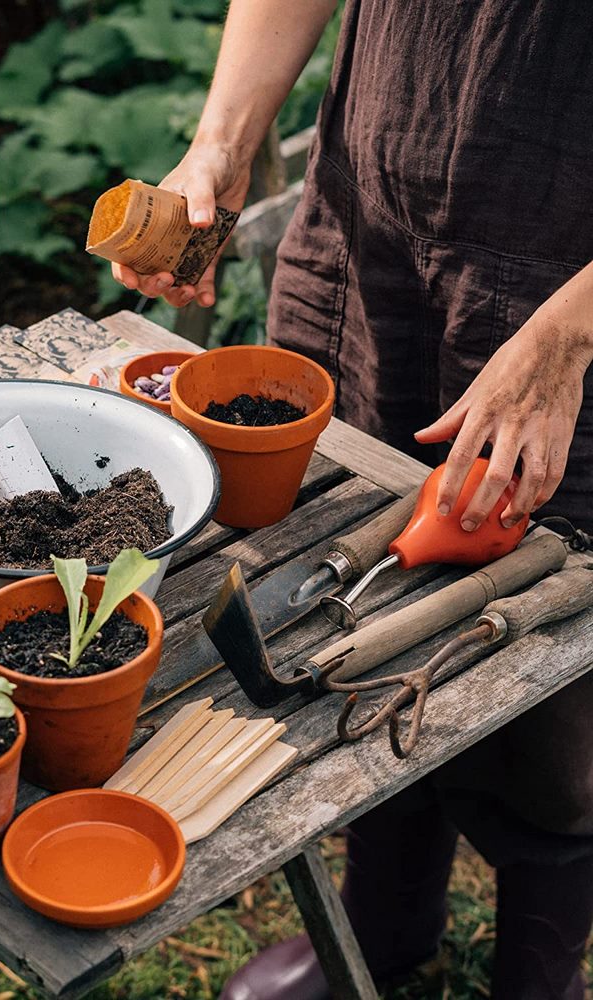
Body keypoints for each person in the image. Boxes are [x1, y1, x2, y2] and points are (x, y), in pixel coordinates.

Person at [112, 2, 593, 998]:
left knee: (562, 674)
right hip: (378, 197)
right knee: (358, 568)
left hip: (571, 267)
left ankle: (537, 974)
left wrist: (569, 337)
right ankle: (381, 935)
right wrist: (222, 141)